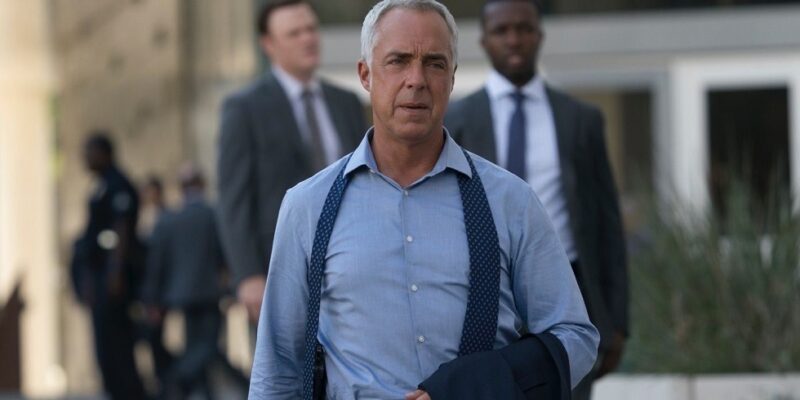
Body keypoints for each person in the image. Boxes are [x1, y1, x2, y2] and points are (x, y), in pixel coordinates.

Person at [249, 1, 598, 399]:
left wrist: (474, 387)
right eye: (397, 61)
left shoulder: (511, 202)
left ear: (452, 77)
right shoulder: (308, 206)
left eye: (434, 63)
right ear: (365, 74)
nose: (416, 80)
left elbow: (575, 339)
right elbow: (277, 371)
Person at [444, 1, 629, 398]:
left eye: (523, 29)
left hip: (568, 293)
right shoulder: (455, 120)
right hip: (483, 293)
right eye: (501, 30)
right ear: (484, 40)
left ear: (539, 36)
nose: (513, 39)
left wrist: (617, 320)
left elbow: (607, 223)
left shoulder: (580, 119)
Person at [216, 0, 368, 330]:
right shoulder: (244, 108)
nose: (308, 38)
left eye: (311, 29)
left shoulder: (346, 102)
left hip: (353, 263)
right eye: (294, 33)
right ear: (268, 44)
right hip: (280, 269)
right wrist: (248, 274)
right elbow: (233, 198)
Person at [142, 165, 227, 399]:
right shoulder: (213, 215)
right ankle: (176, 378)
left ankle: (202, 392)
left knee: (197, 346)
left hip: (180, 294)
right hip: (208, 292)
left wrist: (153, 298)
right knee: (206, 347)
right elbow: (224, 254)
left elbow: (157, 263)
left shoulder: (170, 219)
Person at [75, 132, 146, 400]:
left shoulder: (118, 185)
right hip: (100, 277)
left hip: (113, 280)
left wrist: (114, 273)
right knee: (104, 347)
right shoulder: (100, 186)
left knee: (118, 347)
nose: (85, 158)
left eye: (90, 152)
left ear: (104, 153)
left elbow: (122, 230)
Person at [137, 175, 174, 399]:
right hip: (148, 291)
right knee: (151, 341)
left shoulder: (164, 219)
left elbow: (158, 263)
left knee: (156, 340)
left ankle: (169, 382)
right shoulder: (144, 217)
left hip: (159, 292)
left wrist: (153, 298)